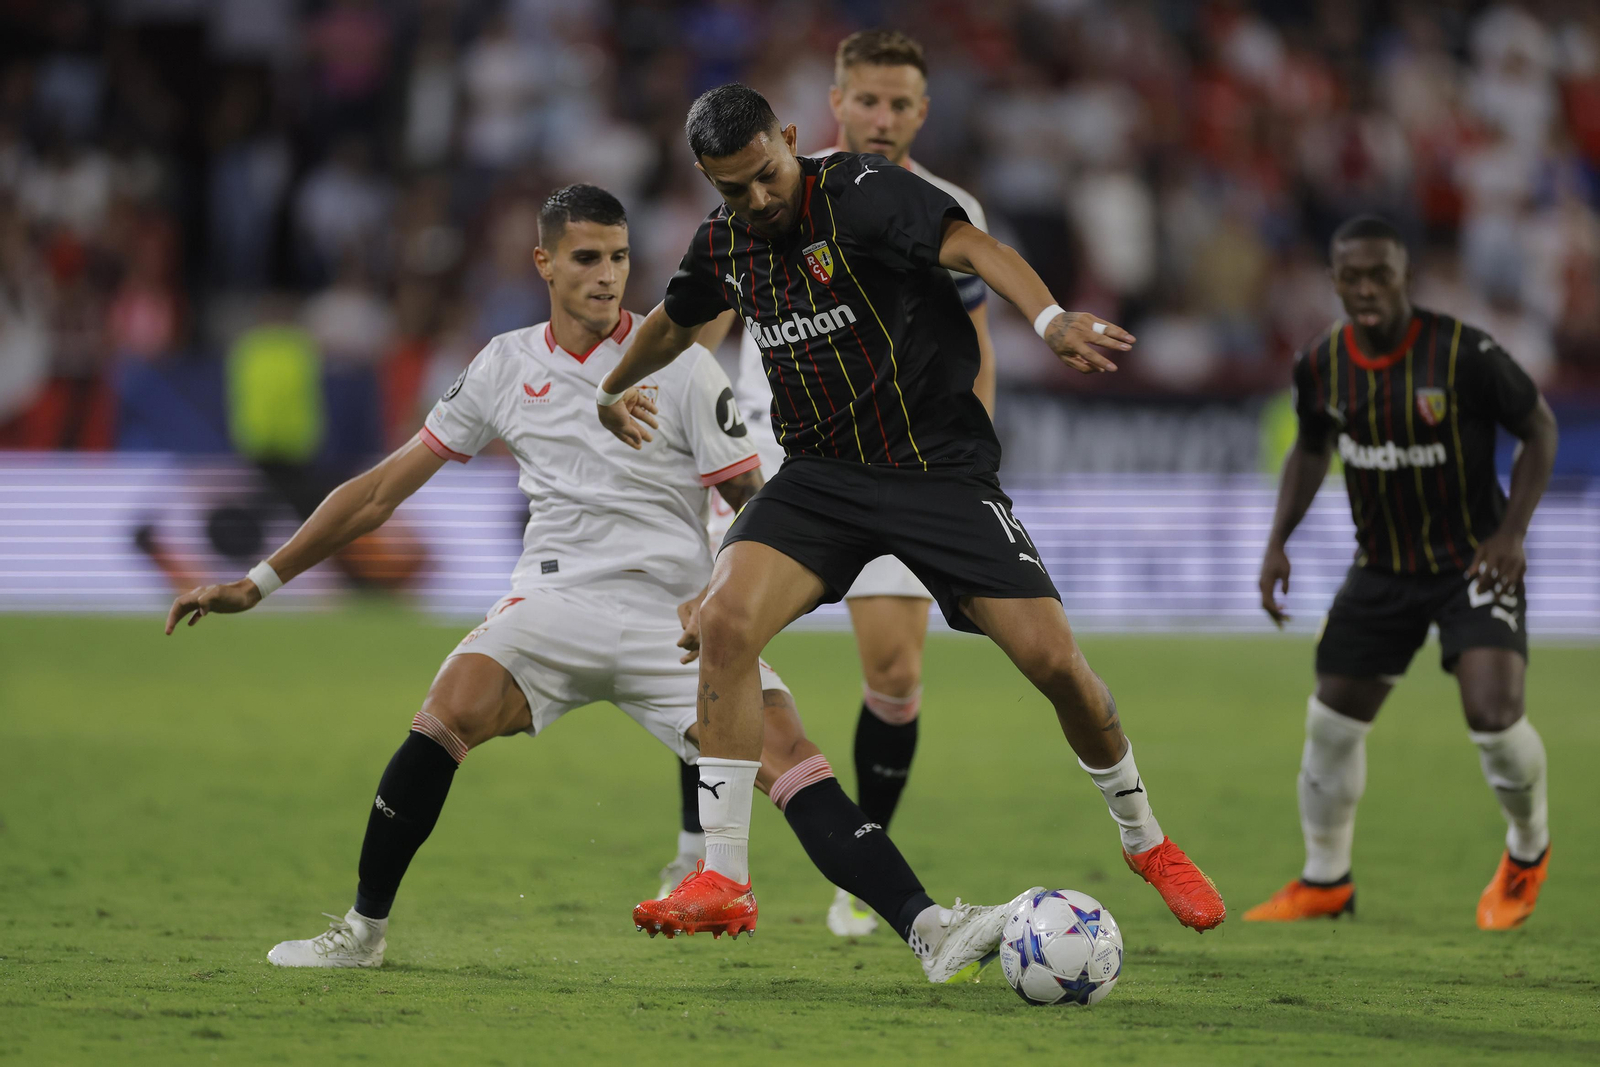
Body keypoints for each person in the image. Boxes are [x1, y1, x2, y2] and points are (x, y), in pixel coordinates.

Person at [164, 185, 1036, 982]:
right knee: (448, 707)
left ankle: (931, 929)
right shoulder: (503, 365)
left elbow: (762, 503)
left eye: (619, 257)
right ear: (543, 262)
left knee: (793, 762)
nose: (607, 275)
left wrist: (727, 590)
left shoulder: (686, 365)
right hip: (551, 605)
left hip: (678, 617)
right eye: (586, 257)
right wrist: (260, 578)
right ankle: (361, 930)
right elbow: (383, 489)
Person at [597, 85, 1227, 940]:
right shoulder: (724, 241)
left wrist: (1046, 318)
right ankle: (724, 876)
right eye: (732, 188)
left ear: (790, 139)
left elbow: (970, 242)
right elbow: (679, 317)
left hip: (935, 472)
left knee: (1053, 663)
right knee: (724, 622)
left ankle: (1144, 838)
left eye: (766, 175)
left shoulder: (860, 192)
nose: (757, 199)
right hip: (821, 476)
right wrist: (612, 385)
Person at [656, 29, 1001, 940]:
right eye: (868, 100)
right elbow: (704, 308)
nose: (882, 118)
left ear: (923, 113)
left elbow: (976, 351)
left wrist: (972, 464)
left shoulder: (944, 205)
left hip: (895, 458)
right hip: (764, 450)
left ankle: (862, 867)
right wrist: (666, 412)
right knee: (715, 638)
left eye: (901, 104)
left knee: (893, 668)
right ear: (832, 105)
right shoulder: (764, 192)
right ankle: (701, 846)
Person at [1245, 215, 1559, 929]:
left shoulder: (1463, 354)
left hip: (1472, 559)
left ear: (1403, 275)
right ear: (1334, 280)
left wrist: (1513, 533)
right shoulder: (1321, 362)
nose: (1365, 289)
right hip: (1382, 567)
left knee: (1494, 716)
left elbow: (1539, 426)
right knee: (1329, 727)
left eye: (1378, 274)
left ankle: (1527, 848)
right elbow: (1312, 448)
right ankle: (1325, 881)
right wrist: (1276, 542)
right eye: (1350, 276)